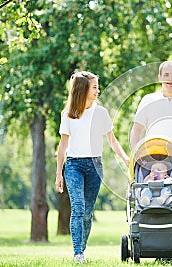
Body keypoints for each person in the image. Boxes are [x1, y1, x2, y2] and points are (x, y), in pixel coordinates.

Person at [55, 71, 130, 264]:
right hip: (73, 165)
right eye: (95, 87)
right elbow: (63, 145)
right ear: (83, 89)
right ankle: (78, 252)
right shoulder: (68, 114)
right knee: (78, 208)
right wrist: (58, 174)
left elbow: (112, 142)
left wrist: (126, 159)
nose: (98, 90)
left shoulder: (101, 113)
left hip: (95, 166)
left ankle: (82, 248)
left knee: (87, 213)